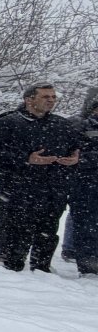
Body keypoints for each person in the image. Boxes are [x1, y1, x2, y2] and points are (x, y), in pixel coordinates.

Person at [0, 82, 81, 272]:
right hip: (16, 188)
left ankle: (42, 267)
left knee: (48, 230)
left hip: (52, 189)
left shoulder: (61, 124)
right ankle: (10, 266)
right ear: (29, 99)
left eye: (53, 97)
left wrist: (75, 157)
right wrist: (25, 159)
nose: (51, 101)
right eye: (46, 97)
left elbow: (80, 145)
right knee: (15, 230)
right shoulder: (8, 122)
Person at [68, 88, 98, 275]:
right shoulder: (80, 125)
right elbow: (74, 155)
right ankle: (88, 264)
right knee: (86, 223)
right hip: (86, 182)